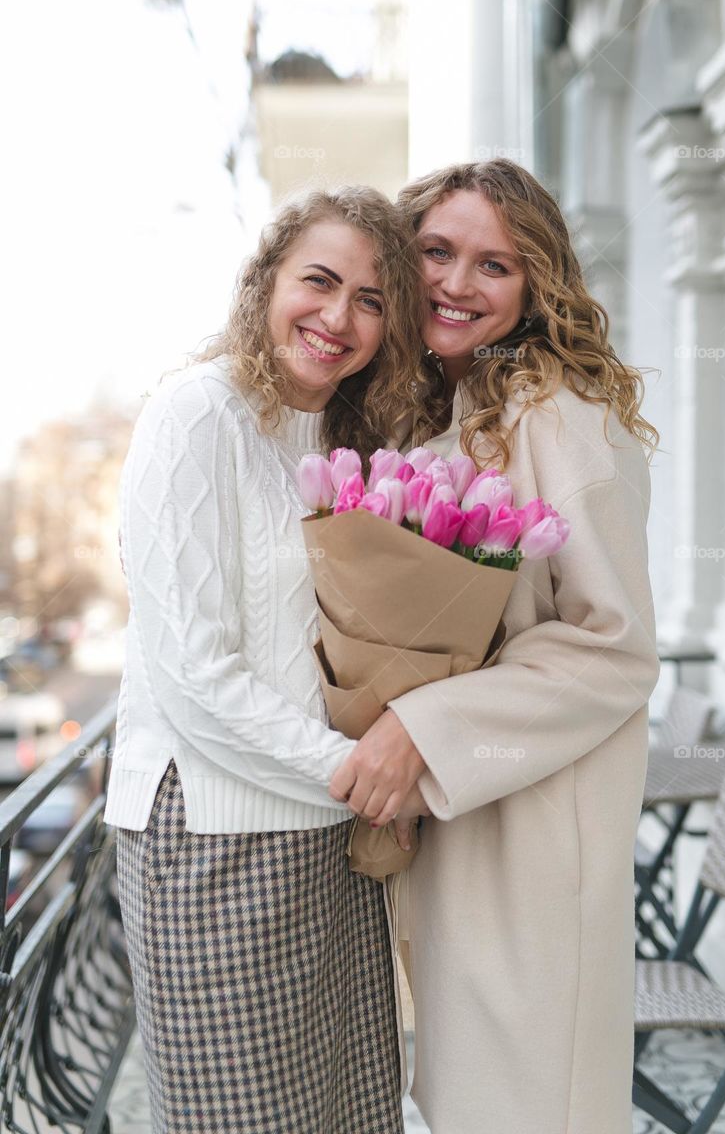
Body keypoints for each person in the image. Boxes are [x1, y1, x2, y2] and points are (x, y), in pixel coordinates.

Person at [329, 159, 661, 1134]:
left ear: (534, 288)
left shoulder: (559, 416)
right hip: (443, 820)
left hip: (531, 829)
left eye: (494, 265)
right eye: (435, 250)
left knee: (528, 1103)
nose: (455, 283)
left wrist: (419, 726)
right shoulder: (422, 410)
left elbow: (615, 647)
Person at [105, 186, 431, 1134]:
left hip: (328, 837)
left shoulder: (341, 438)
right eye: (319, 283)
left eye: (371, 300)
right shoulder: (196, 414)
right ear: (266, 283)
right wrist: (360, 772)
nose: (338, 318)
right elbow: (193, 675)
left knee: (344, 1110)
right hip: (216, 834)